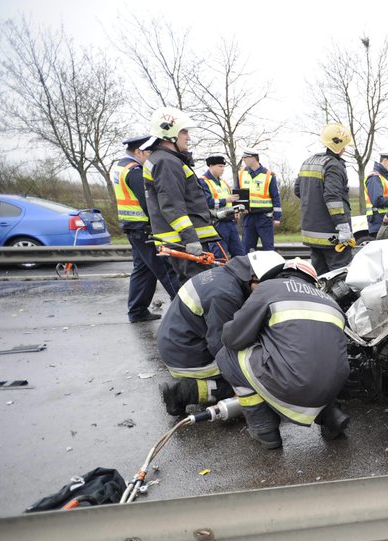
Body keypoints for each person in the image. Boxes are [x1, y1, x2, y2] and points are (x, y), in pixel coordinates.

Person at [216, 258, 351, 449]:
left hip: (293, 384)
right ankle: (331, 415)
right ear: (312, 281)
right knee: (314, 362)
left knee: (226, 356)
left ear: (282, 275)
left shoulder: (269, 288)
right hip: (334, 386)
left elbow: (234, 339)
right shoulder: (331, 303)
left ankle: (264, 429)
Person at [157, 251, 284, 415]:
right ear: (253, 277)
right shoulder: (225, 294)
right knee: (260, 380)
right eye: (266, 286)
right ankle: (183, 391)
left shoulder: (227, 275)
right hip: (189, 357)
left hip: (180, 344)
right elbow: (221, 346)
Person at [142, 107, 221, 284]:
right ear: (169, 133)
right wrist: (191, 239)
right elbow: (172, 206)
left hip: (183, 241)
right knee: (201, 290)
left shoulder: (166, 159)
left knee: (197, 290)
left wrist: (210, 215)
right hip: (184, 242)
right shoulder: (167, 162)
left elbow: (185, 201)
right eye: (184, 131)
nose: (188, 136)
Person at [112, 133, 181, 322]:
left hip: (134, 227)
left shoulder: (121, 167)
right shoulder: (135, 171)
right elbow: (148, 203)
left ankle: (137, 311)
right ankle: (186, 312)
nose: (151, 157)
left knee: (143, 270)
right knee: (166, 269)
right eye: (149, 152)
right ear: (139, 152)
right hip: (144, 228)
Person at [294, 123, 354, 275]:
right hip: (332, 234)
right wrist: (342, 225)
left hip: (312, 232)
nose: (345, 149)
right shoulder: (334, 166)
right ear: (339, 146)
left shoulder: (308, 162)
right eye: (344, 146)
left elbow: (297, 190)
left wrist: (315, 204)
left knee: (319, 276)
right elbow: (332, 197)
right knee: (339, 276)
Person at [200, 155, 246, 258]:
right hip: (217, 224)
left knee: (240, 255)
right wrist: (226, 200)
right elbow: (208, 203)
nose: (223, 169)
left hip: (230, 222)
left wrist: (236, 211)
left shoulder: (223, 182)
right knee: (220, 256)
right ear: (211, 166)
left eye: (223, 166)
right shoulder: (203, 182)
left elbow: (230, 202)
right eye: (220, 166)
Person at [238, 149, 283, 252]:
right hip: (248, 217)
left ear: (253, 158)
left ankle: (271, 268)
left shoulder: (269, 175)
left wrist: (277, 217)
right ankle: (247, 268)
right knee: (246, 249)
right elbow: (238, 195)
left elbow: (275, 196)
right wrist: (239, 209)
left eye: (245, 158)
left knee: (268, 249)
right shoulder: (241, 174)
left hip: (264, 217)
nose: (243, 160)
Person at [364, 150, 388, 237]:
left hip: (385, 223)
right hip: (381, 223)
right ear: (385, 161)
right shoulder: (375, 178)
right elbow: (377, 200)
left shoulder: (382, 177)